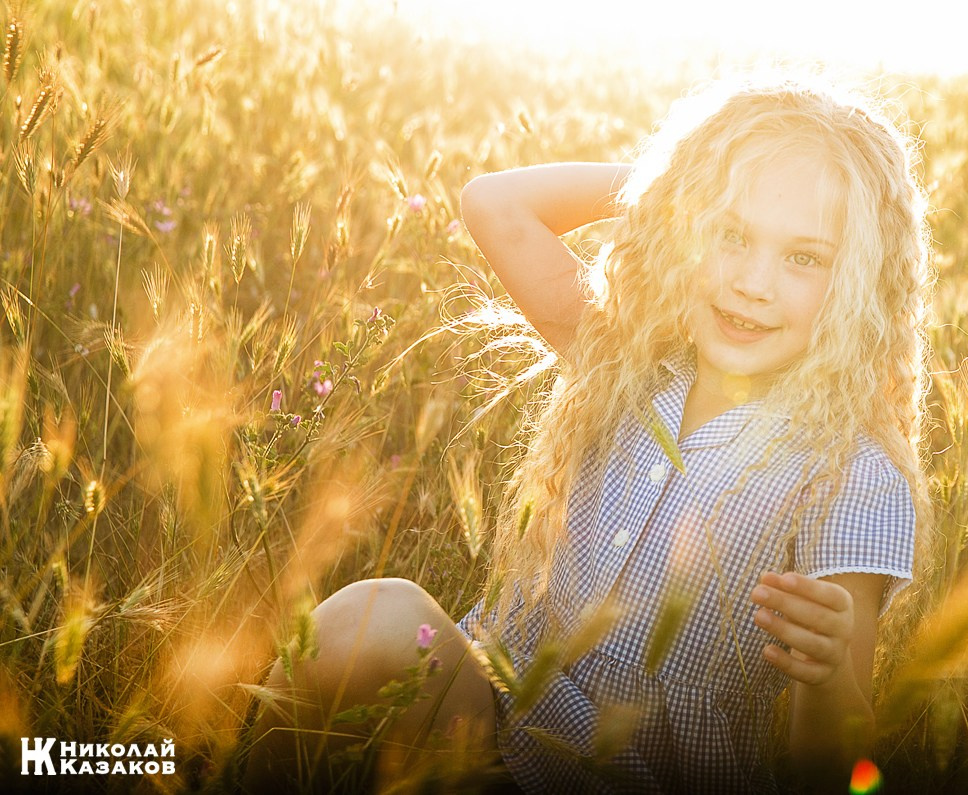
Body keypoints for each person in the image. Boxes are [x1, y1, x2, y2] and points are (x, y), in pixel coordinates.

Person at [246, 72, 932, 793]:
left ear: (858, 280)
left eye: (803, 258)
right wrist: (676, 181)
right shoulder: (628, 359)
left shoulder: (851, 471)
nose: (753, 281)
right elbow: (495, 203)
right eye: (730, 233)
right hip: (488, 719)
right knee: (373, 617)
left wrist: (825, 680)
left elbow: (833, 766)